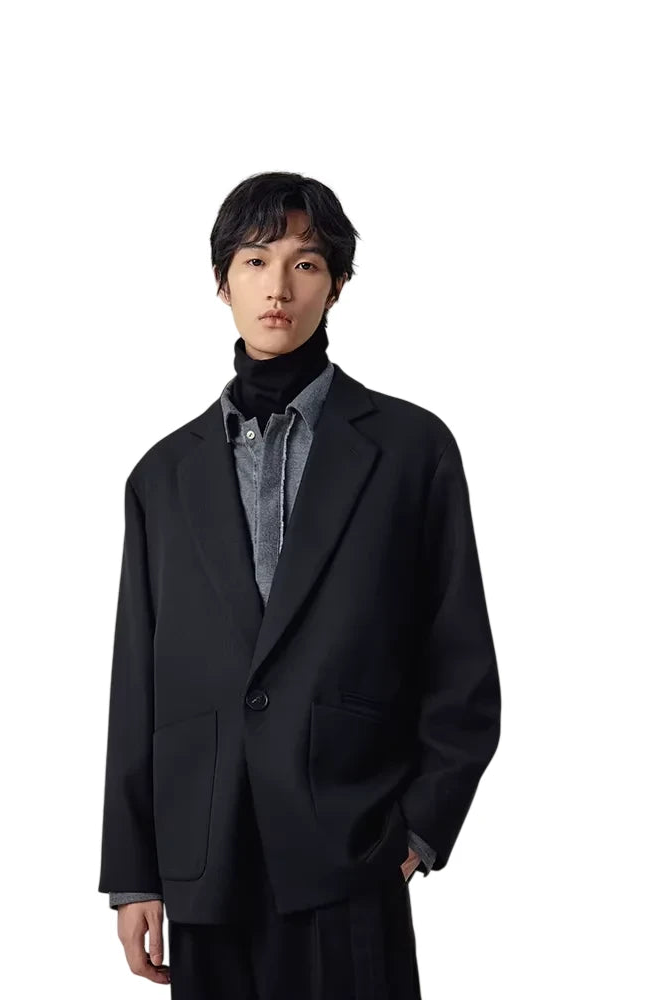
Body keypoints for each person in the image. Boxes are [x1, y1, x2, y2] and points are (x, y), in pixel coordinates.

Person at [98, 171, 501, 998]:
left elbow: (461, 662)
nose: (278, 287)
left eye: (305, 264)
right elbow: (136, 684)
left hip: (349, 849)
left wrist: (419, 830)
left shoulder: (411, 450)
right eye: (255, 261)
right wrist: (133, 873)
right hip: (204, 861)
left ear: (337, 284)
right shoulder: (160, 478)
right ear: (223, 281)